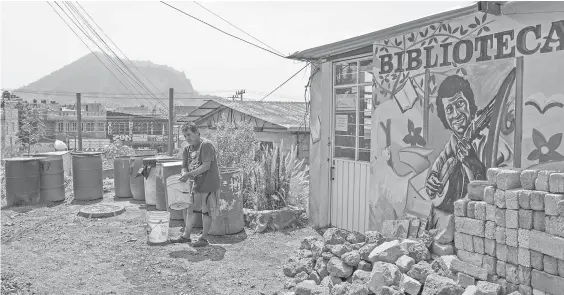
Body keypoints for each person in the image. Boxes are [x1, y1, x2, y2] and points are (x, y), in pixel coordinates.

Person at [426, 75, 513, 213]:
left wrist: (474, 163)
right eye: (449, 109)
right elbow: (441, 159)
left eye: (460, 103)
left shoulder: (489, 142)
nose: (456, 114)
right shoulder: (455, 140)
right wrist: (433, 177)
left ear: (470, 104)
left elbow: (504, 188)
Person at [170, 122, 220, 247]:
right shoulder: (187, 149)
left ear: (197, 132)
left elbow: (206, 166)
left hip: (208, 182)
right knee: (190, 209)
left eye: (189, 135)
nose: (187, 138)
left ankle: (203, 238)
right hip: (195, 183)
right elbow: (184, 167)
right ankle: (186, 236)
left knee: (205, 210)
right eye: (185, 136)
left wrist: (189, 174)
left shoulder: (206, 145)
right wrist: (184, 173)